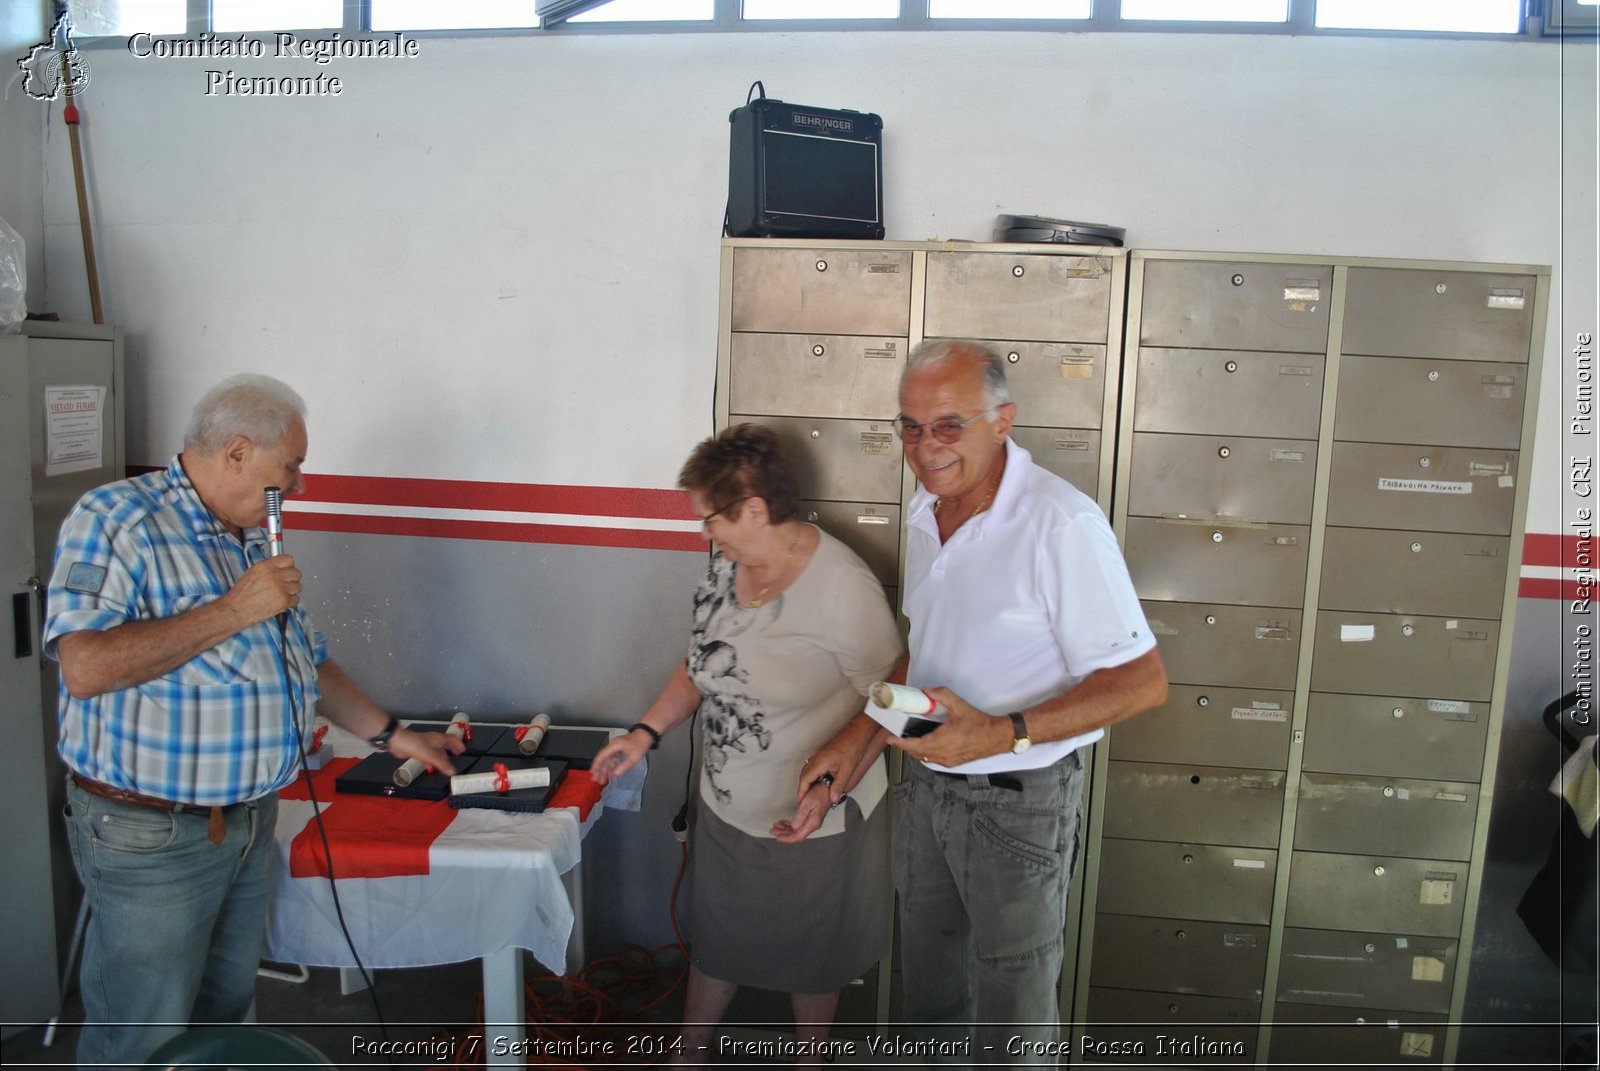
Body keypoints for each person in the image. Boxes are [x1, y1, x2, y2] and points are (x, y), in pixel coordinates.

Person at [44, 373, 464, 1069]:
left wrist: (392, 734)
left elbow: (305, 659)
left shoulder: (247, 533)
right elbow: (84, 666)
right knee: (140, 1034)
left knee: (225, 1024)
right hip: (153, 833)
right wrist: (231, 611)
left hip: (244, 823)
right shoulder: (119, 518)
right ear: (236, 450)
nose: (297, 484)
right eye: (290, 465)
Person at [801, 340, 1169, 1060]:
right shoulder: (928, 506)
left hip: (1019, 801)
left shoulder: (1058, 523)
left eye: (947, 425)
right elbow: (930, 650)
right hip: (930, 792)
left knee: (1012, 1022)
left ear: (1003, 420)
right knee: (934, 1006)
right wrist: (860, 738)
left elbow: (1142, 681)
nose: (924, 446)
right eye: (910, 425)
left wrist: (1002, 732)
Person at [591, 423, 903, 1065]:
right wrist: (645, 732)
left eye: (711, 519)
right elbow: (697, 663)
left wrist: (831, 784)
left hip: (812, 816)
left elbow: (892, 701)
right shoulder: (726, 568)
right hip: (728, 806)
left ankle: (808, 1062)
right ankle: (691, 1055)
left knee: (813, 959)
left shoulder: (842, 588)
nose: (705, 533)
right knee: (718, 941)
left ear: (754, 510)